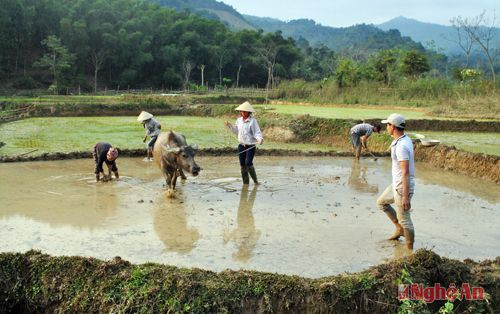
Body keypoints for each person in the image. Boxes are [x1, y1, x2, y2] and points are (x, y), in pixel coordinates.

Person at [376, 113, 415, 250]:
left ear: (392, 126)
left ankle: (409, 250)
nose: (386, 127)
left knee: (405, 219)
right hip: (397, 184)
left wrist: (405, 196)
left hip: (401, 187)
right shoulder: (404, 140)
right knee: (382, 202)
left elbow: (405, 172)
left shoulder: (401, 146)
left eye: (387, 125)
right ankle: (399, 229)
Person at [224, 101, 264, 185]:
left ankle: (256, 181)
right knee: (242, 164)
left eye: (243, 111)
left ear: (248, 112)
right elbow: (236, 131)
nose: (241, 112)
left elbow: (257, 132)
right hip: (241, 145)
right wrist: (230, 126)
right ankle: (246, 183)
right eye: (241, 111)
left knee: (248, 163)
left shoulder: (253, 121)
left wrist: (260, 139)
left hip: (250, 146)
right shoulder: (239, 120)